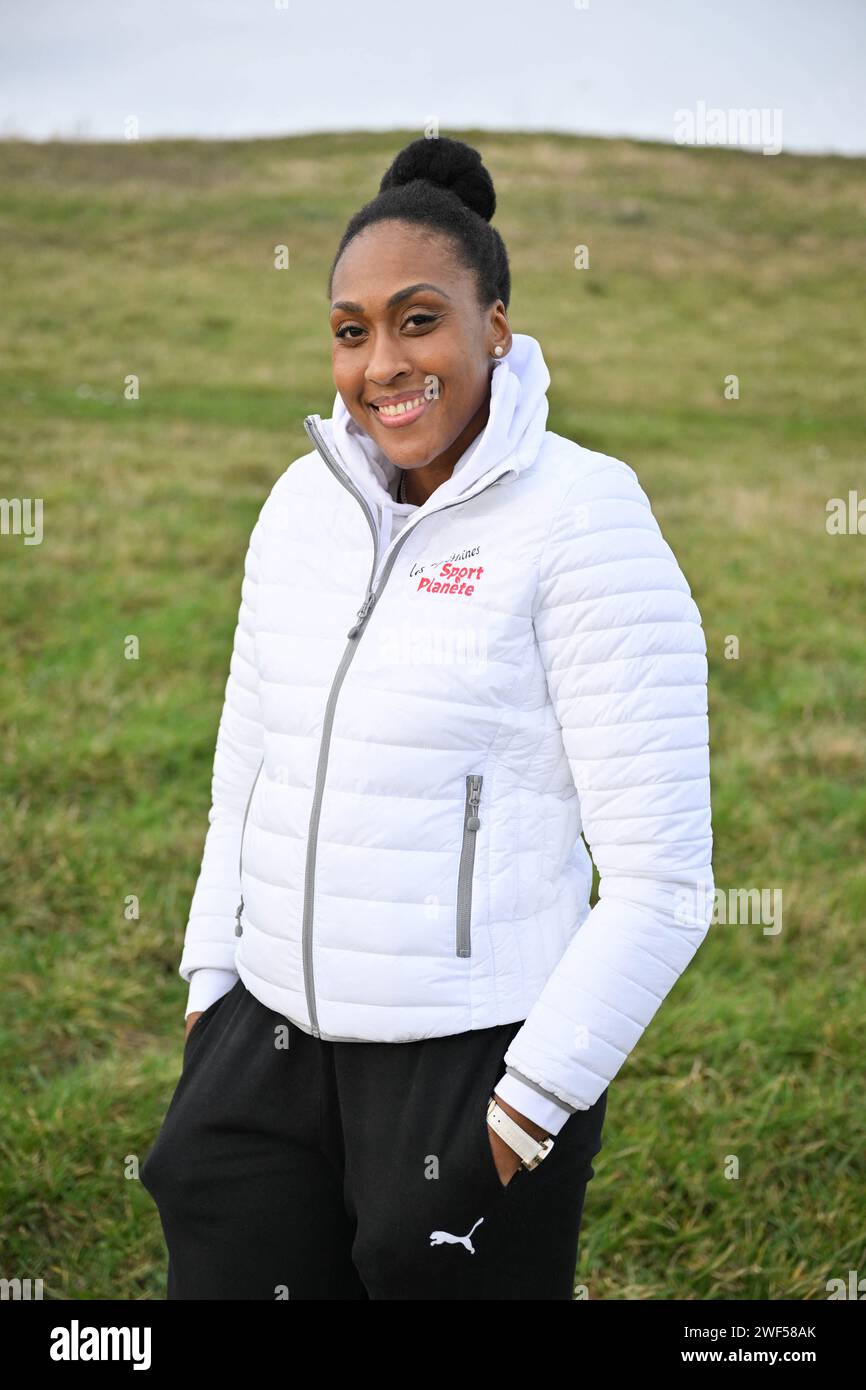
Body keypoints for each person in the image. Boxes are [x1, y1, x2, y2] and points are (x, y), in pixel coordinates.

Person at [140, 136, 714, 1301]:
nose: (382, 363)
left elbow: (660, 877)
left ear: (493, 326)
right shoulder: (303, 502)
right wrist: (212, 986)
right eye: (352, 330)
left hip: (470, 1054)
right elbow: (244, 766)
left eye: (418, 320)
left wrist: (528, 1104)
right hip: (266, 1041)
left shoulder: (582, 515)